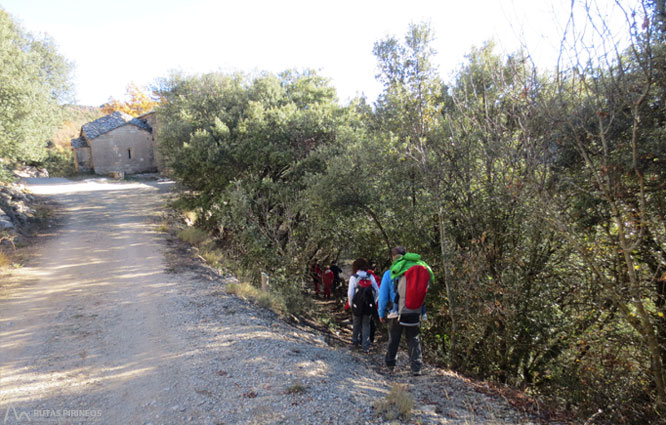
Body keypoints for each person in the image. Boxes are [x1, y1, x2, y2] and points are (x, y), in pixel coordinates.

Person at [378, 246, 433, 376]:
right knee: (413, 338)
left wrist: (381, 313)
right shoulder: (418, 270)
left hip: (395, 312)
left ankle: (390, 365)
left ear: (393, 257)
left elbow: (383, 296)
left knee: (394, 339)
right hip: (415, 309)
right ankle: (416, 367)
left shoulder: (390, 272)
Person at [347, 257, 379, 353]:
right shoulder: (370, 276)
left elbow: (350, 293)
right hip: (368, 304)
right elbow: (377, 291)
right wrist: (373, 301)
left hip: (357, 304)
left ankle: (354, 342)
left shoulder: (354, 277)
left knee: (356, 322)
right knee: (366, 324)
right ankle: (365, 346)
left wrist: (350, 303)